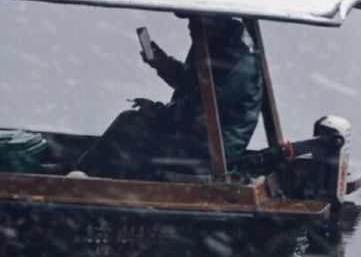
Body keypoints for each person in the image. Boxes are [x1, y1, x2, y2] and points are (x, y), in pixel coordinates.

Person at [74, 15, 264, 181]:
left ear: (214, 20)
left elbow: (202, 110)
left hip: (212, 149)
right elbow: (193, 85)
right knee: (133, 129)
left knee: (129, 124)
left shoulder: (238, 61)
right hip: (200, 136)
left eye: (194, 20)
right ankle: (83, 172)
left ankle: (79, 177)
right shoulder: (215, 42)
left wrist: (156, 111)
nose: (190, 27)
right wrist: (162, 63)